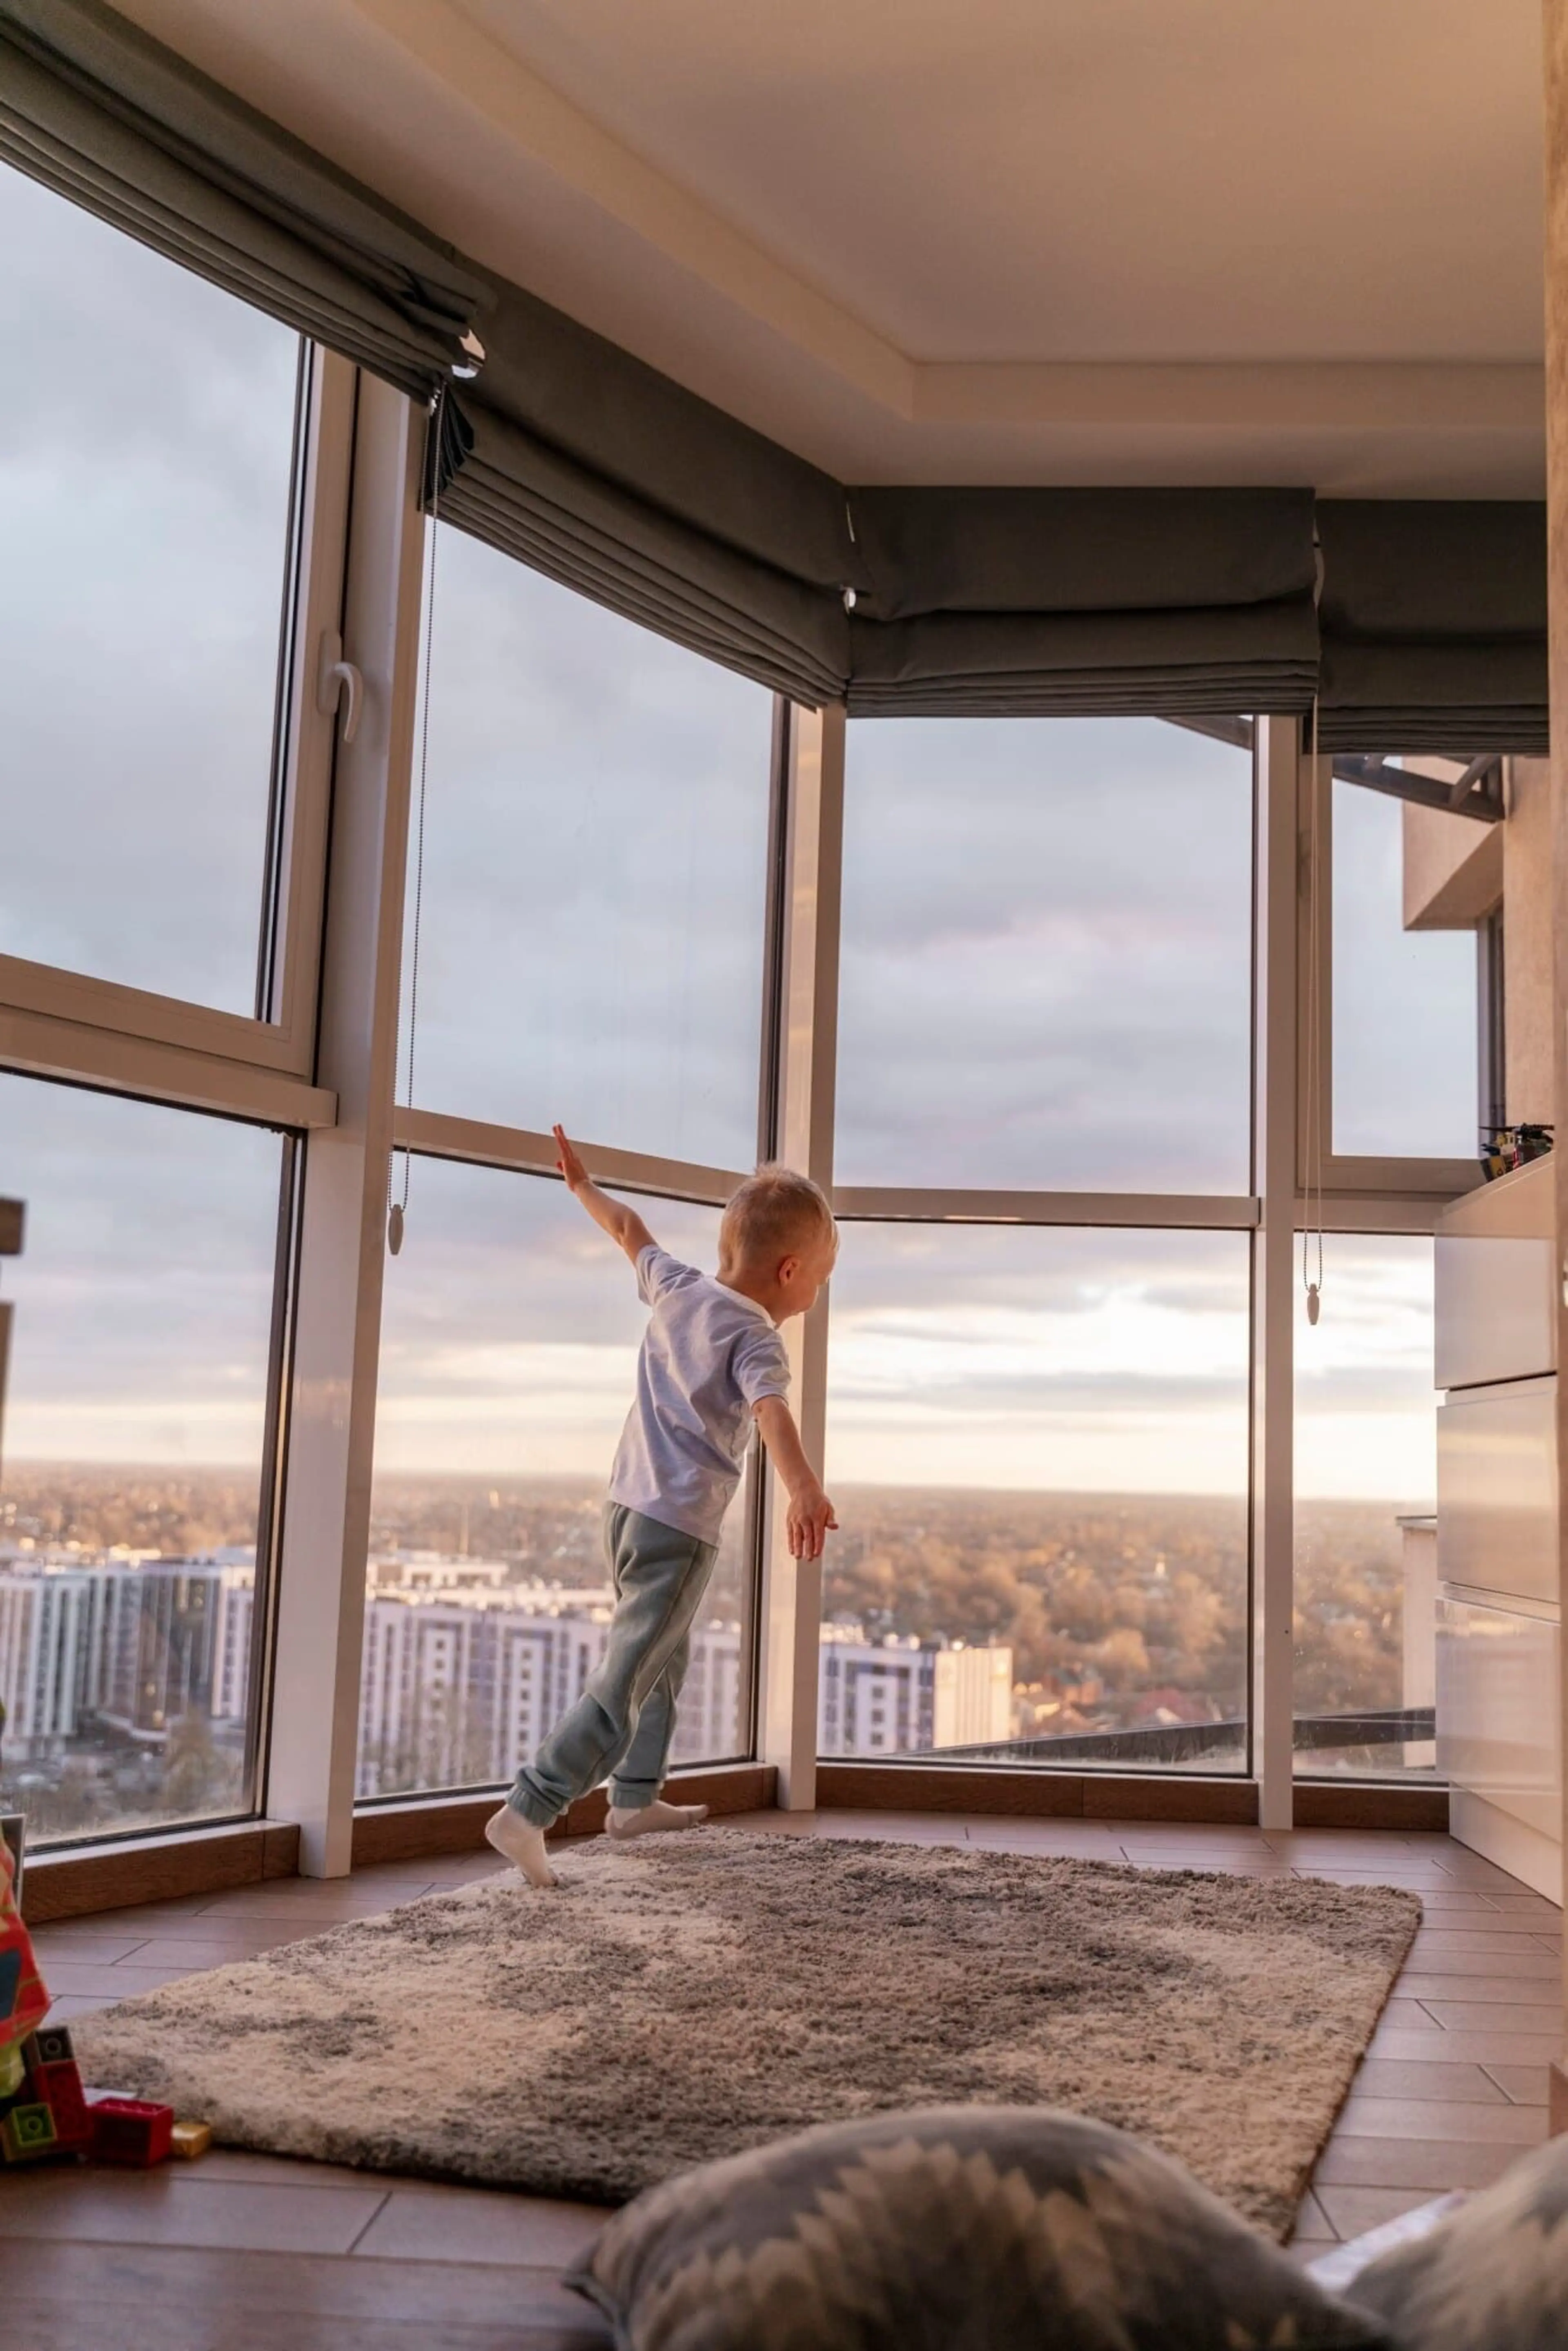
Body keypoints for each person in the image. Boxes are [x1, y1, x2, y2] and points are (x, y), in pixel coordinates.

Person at [486, 1125, 839, 1888]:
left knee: (662, 1660)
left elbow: (627, 1230)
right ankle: (529, 1806)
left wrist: (582, 1187)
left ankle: (634, 1802)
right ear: (788, 1271)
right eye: (819, 1279)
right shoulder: (757, 1338)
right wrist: (805, 1487)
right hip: (679, 1528)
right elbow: (772, 1413)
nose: (816, 1293)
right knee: (626, 1680)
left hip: (625, 1511)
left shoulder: (678, 1287)